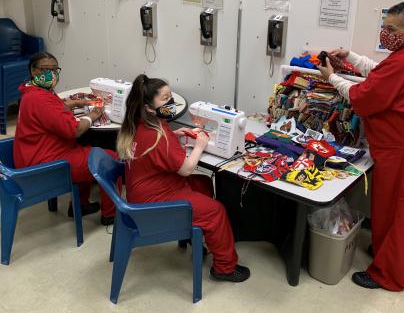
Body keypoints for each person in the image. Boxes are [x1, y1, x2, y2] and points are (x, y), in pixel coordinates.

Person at [317, 2, 404, 291]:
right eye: (384, 26)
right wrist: (351, 56)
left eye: (391, 29)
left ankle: (388, 275)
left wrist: (331, 78)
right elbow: (383, 73)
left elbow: (362, 96)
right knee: (390, 206)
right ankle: (386, 254)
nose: (385, 33)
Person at [117, 74, 251, 282]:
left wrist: (175, 134)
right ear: (149, 108)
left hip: (143, 192)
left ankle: (192, 235)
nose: (171, 102)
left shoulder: (140, 124)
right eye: (164, 98)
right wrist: (200, 146)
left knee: (204, 183)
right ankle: (224, 268)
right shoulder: (157, 136)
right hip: (152, 205)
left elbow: (159, 150)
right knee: (216, 211)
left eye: (171, 96)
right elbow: (186, 169)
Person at [14, 52, 117, 225]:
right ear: (33, 70)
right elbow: (75, 130)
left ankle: (80, 205)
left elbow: (52, 107)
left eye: (55, 70)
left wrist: (76, 103)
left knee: (86, 147)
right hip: (46, 164)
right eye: (45, 70)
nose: (51, 75)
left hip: (32, 153)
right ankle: (110, 215)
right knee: (109, 159)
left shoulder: (32, 90)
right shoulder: (39, 98)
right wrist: (93, 115)